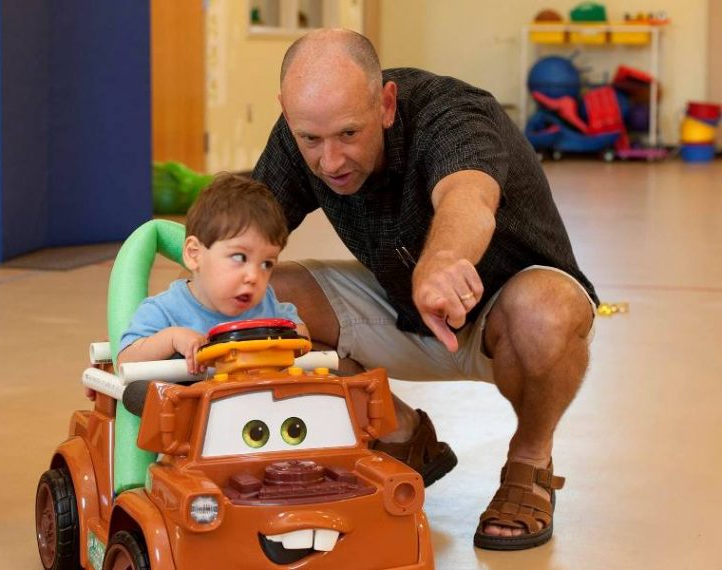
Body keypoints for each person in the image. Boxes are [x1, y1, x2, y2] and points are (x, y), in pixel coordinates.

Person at [252, 28, 598, 551]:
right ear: (286, 112)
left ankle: (530, 463)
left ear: (386, 103)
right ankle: (401, 432)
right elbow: (245, 233)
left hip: (504, 321)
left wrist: (442, 262)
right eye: (310, 140)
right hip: (403, 310)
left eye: (349, 134)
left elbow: (468, 196)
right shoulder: (299, 136)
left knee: (545, 313)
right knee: (261, 296)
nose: (330, 162)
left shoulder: (451, 113)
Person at [118, 172, 308, 376]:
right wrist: (171, 339)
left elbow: (294, 326)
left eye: (266, 264)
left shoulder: (266, 303)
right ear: (194, 254)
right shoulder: (164, 310)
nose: (254, 276)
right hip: (189, 404)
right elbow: (124, 360)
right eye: (239, 258)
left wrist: (299, 332)